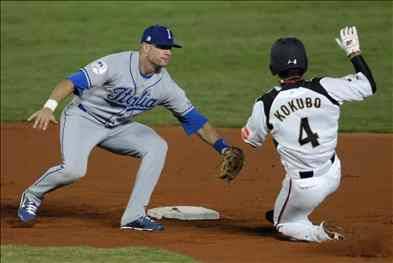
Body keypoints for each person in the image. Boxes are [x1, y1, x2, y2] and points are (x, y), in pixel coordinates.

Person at [18, 24, 239, 231]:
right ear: (145, 47)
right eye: (162, 47)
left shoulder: (165, 86)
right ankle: (33, 194)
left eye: (170, 48)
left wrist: (223, 148)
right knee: (74, 170)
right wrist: (49, 107)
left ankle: (133, 216)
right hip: (83, 119)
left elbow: (195, 119)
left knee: (157, 146)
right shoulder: (116, 64)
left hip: (118, 127)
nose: (168, 52)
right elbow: (72, 81)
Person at [241, 26, 376, 242]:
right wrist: (354, 53)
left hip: (305, 188)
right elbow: (368, 86)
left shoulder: (266, 103)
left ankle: (320, 234)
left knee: (283, 224)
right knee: (293, 170)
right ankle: (288, 209)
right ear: (304, 63)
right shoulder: (326, 87)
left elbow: (252, 140)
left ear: (273, 67)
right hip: (333, 173)